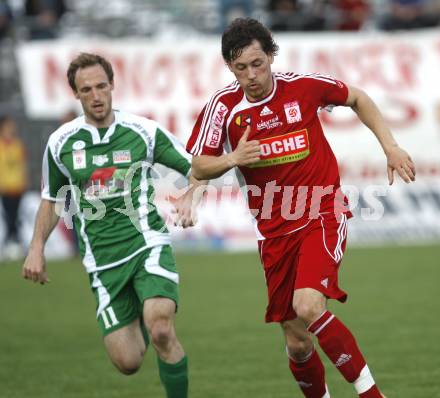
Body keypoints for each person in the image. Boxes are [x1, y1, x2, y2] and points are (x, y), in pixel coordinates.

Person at [185, 18, 416, 398]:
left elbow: (356, 97)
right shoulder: (223, 107)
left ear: (271, 56)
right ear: (229, 67)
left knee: (308, 304)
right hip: (273, 232)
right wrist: (233, 158)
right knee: (297, 343)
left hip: (321, 211)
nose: (251, 75)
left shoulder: (303, 87)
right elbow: (199, 164)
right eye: (240, 68)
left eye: (257, 64)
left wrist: (389, 146)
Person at [22, 53, 195, 398]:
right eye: (87, 89)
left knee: (161, 328)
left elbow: (194, 166)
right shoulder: (61, 142)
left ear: (113, 86)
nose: (97, 95)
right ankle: (138, 314)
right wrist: (36, 247)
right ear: (76, 94)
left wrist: (195, 192)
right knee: (127, 361)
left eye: (102, 86)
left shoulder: (142, 131)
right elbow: (52, 198)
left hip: (146, 242)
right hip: (102, 261)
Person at [0, 115, 28, 258]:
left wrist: (24, 181)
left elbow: (22, 166)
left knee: (15, 217)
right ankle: (12, 244)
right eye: (9, 125)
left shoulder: (17, 145)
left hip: (17, 187)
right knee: (10, 218)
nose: (12, 128)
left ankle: (14, 245)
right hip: (5, 189)